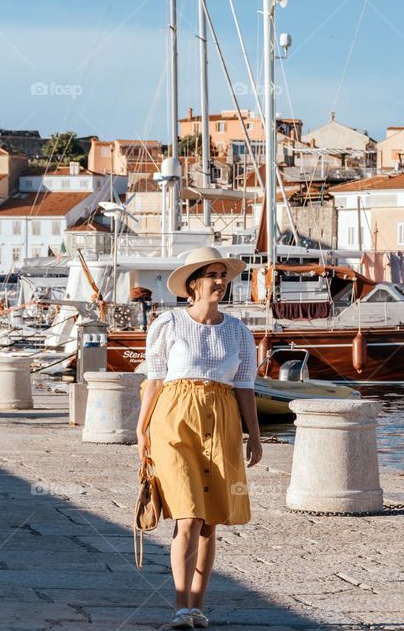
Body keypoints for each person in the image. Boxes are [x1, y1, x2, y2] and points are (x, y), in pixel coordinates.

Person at [136, 247, 263, 630]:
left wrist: (254, 437)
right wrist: (141, 429)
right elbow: (155, 380)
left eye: (224, 275)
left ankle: (197, 607)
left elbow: (244, 388)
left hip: (221, 419)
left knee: (210, 522)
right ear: (193, 284)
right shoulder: (169, 323)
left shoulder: (239, 331)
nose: (221, 282)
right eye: (212, 274)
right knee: (188, 516)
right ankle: (179, 606)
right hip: (174, 421)